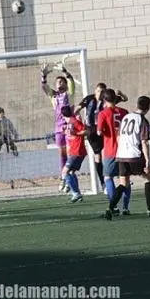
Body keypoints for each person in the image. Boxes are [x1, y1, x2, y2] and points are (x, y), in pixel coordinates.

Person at [105, 96, 150, 219]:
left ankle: (110, 208)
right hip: (134, 155)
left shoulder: (126, 117)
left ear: (137, 105)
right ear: (148, 107)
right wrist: (147, 160)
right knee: (148, 179)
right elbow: (144, 142)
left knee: (123, 183)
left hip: (121, 155)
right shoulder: (142, 120)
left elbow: (119, 136)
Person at [40, 62, 75, 192]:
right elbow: (44, 88)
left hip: (69, 128)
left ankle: (69, 180)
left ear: (65, 84)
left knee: (70, 155)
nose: (59, 83)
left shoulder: (69, 94)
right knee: (62, 155)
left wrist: (65, 71)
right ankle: (64, 178)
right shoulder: (53, 96)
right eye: (57, 82)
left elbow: (71, 81)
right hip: (59, 129)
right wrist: (43, 76)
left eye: (61, 81)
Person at [96, 89, 128, 214]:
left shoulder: (103, 114)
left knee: (108, 177)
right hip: (125, 150)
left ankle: (113, 206)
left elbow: (99, 132)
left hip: (111, 150)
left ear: (104, 99)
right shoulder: (124, 112)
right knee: (124, 179)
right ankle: (126, 207)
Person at [75, 83, 110, 190]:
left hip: (104, 130)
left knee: (111, 153)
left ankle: (118, 175)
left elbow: (124, 99)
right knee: (98, 156)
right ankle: (103, 182)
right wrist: (77, 119)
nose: (100, 94)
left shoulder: (107, 99)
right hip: (91, 131)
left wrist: (121, 95)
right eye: (98, 91)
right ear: (95, 91)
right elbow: (77, 109)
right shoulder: (89, 99)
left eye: (102, 92)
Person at [60, 106, 86, 203]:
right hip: (76, 151)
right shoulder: (69, 123)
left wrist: (76, 133)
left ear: (62, 115)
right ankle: (77, 193)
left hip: (77, 151)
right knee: (71, 172)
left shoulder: (74, 121)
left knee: (64, 172)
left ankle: (76, 193)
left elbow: (85, 131)